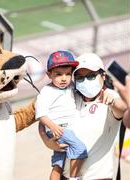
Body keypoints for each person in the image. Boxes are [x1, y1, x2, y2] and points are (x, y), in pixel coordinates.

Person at [39, 53, 127, 179]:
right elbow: (42, 119)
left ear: (102, 75)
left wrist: (112, 101)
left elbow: (122, 109)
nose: (85, 81)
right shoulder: (68, 96)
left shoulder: (110, 96)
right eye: (79, 77)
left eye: (91, 76)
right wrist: (46, 141)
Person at [35, 50, 88, 180]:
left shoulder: (71, 86)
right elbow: (41, 115)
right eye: (58, 74)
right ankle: (74, 178)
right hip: (59, 129)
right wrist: (53, 127)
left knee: (59, 164)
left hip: (64, 130)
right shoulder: (46, 91)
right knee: (80, 149)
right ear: (49, 74)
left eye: (68, 74)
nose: (64, 78)